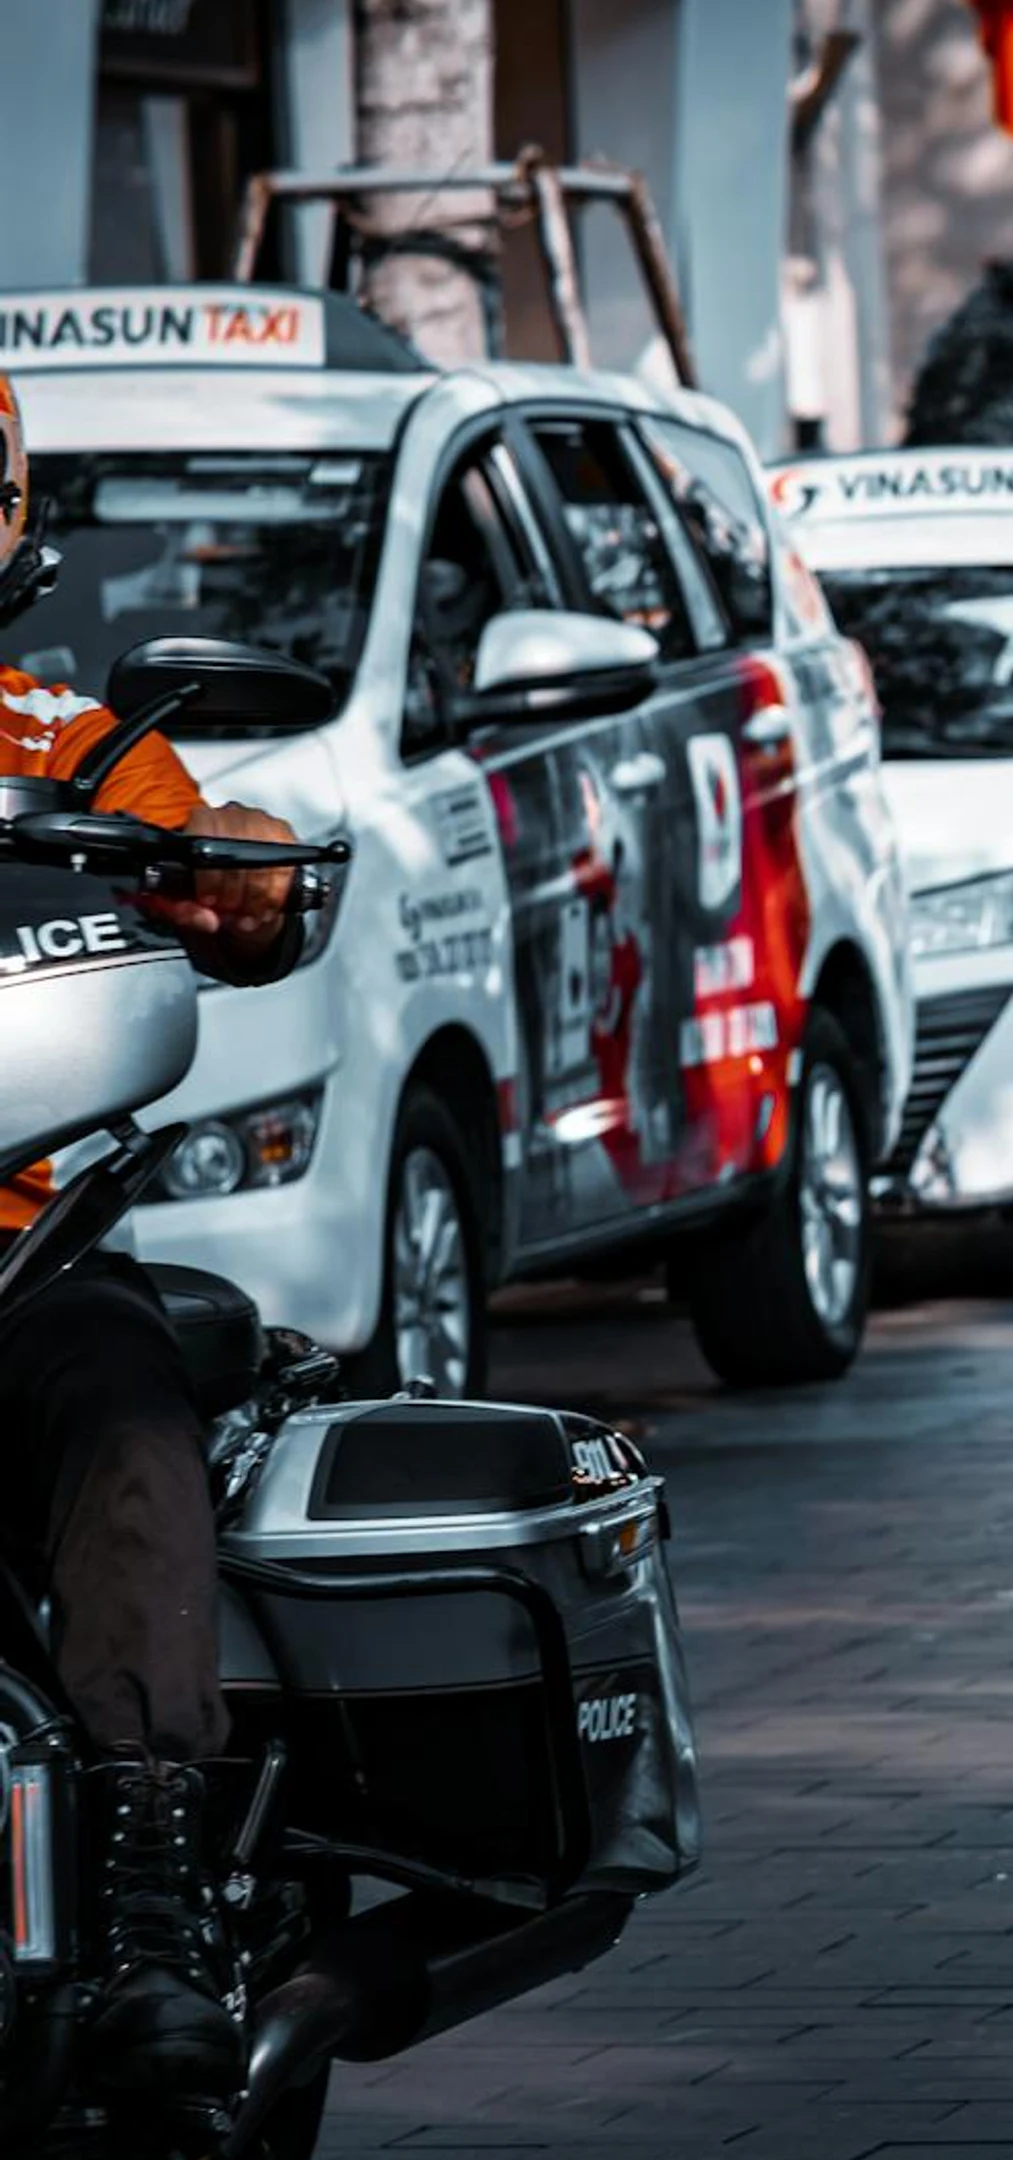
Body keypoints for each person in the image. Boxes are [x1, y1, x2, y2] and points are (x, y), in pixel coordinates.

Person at [0, 366, 313, 2101]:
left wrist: (241, 872)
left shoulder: (65, 747)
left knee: (127, 1416)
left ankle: (151, 1907)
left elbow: (238, 882)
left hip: (22, 1255)